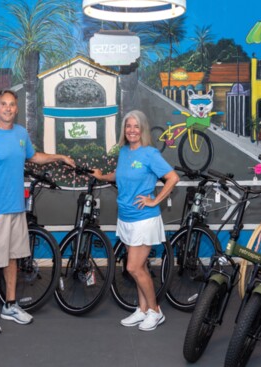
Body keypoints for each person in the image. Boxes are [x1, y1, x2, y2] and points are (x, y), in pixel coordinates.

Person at [0, 89, 75, 335]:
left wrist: (59, 157)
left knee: (12, 258)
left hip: (16, 209)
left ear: (16, 108)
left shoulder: (21, 134)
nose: (8, 108)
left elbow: (34, 157)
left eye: (12, 105)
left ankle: (10, 305)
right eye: (3, 104)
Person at [91, 110, 179, 331]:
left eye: (136, 126)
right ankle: (142, 310)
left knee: (133, 268)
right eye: (128, 126)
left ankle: (155, 311)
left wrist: (154, 200)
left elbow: (172, 177)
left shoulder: (149, 153)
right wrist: (103, 176)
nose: (132, 130)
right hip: (126, 218)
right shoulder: (124, 152)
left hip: (144, 219)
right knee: (139, 267)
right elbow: (120, 174)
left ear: (143, 129)